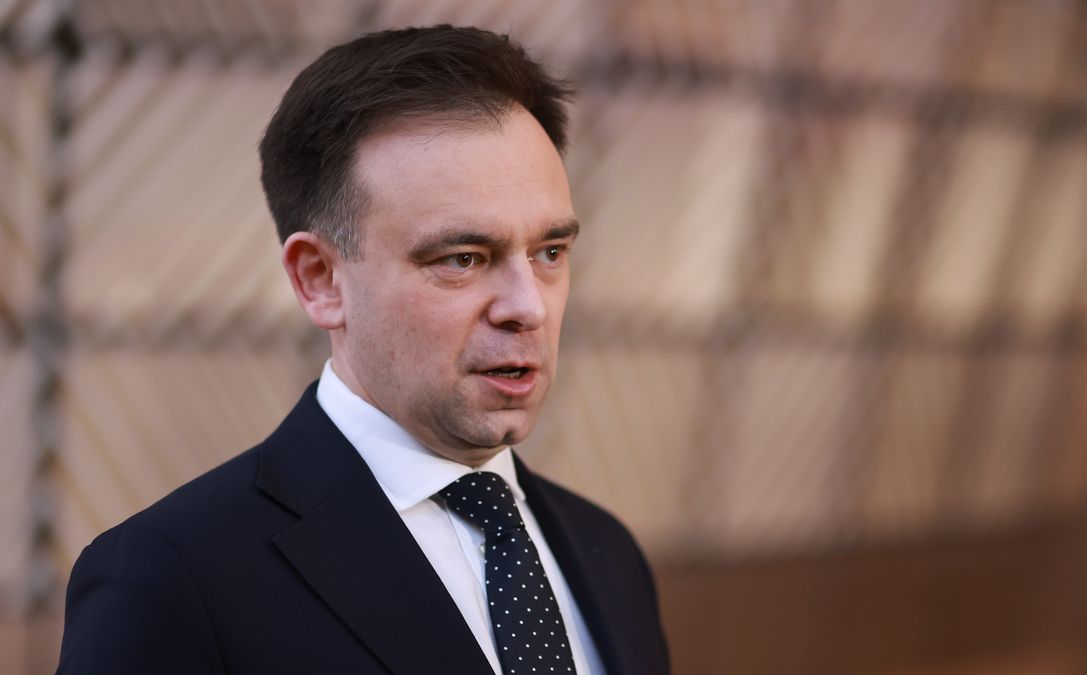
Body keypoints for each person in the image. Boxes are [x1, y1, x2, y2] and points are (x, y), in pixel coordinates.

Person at [56, 25, 670, 675]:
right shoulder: (171, 580)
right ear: (320, 279)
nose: (529, 305)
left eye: (550, 252)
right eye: (464, 257)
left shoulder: (610, 554)